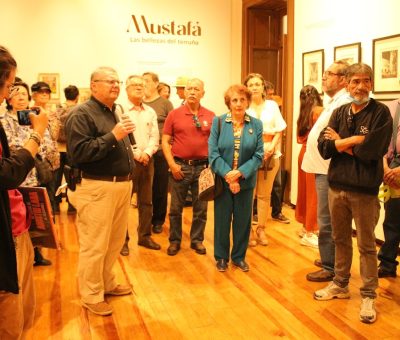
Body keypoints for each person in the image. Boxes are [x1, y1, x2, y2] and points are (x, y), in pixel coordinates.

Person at [315, 63, 392, 324]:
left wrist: (341, 142)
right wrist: (354, 140)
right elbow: (324, 148)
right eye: (355, 81)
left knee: (367, 245)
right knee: (340, 240)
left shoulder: (381, 113)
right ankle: (340, 283)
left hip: (365, 192)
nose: (360, 86)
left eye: (366, 81)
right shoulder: (339, 112)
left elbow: (372, 152)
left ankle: (369, 294)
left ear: (371, 84)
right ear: (347, 85)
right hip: (337, 188)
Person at [66, 66, 135, 316]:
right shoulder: (81, 114)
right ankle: (91, 294)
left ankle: (107, 283)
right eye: (109, 81)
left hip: (120, 186)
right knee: (95, 245)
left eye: (118, 81)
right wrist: (113, 136)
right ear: (93, 85)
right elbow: (80, 152)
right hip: (97, 187)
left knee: (114, 241)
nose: (115, 85)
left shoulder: (115, 110)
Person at [0, 45, 49, 339]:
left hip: (17, 219)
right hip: (7, 229)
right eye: (8, 86)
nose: (9, 94)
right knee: (10, 312)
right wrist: (36, 135)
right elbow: (6, 173)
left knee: (21, 311)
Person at [302, 60, 351, 282]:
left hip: (329, 170)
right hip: (322, 169)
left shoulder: (344, 102)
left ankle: (331, 266)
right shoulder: (334, 101)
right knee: (326, 218)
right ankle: (328, 258)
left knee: (328, 219)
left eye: (328, 74)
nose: (323, 77)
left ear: (342, 79)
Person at [1, 81, 58, 266]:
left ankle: (37, 252)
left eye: (24, 94)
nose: (20, 97)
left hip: (37, 175)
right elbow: (12, 147)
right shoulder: (4, 121)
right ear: (8, 98)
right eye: (15, 93)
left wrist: (38, 135)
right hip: (17, 177)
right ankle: (22, 253)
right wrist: (34, 139)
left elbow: (50, 145)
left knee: (38, 215)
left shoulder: (37, 118)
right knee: (20, 216)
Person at [209, 84, 263, 272]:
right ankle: (221, 257)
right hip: (223, 183)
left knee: (242, 221)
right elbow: (213, 154)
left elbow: (258, 155)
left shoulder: (256, 124)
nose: (238, 104)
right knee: (222, 221)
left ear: (248, 102)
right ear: (228, 103)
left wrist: (239, 174)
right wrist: (228, 176)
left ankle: (239, 257)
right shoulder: (218, 122)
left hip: (245, 183)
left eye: (242, 100)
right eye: (234, 100)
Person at [162, 78, 215, 256]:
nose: (192, 91)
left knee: (201, 209)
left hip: (203, 168)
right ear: (184, 92)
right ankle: (175, 240)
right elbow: (165, 141)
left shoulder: (210, 115)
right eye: (189, 88)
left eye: (196, 89)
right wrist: (171, 164)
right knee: (176, 209)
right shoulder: (174, 114)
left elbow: (215, 142)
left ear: (203, 93)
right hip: (180, 167)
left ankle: (197, 240)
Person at [244, 73, 287, 247]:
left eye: (257, 84)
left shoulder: (272, 105)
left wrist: (271, 148)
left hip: (270, 155)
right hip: (248, 157)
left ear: (263, 87)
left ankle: (261, 228)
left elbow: (279, 130)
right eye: (251, 84)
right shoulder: (244, 106)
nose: (254, 87)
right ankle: (247, 231)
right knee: (248, 194)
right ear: (246, 87)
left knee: (264, 195)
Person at [123, 75, 160, 254]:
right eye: (134, 85)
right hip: (128, 162)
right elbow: (122, 136)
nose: (139, 88)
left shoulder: (150, 112)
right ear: (127, 89)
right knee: (123, 203)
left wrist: (147, 153)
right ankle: (122, 241)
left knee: (146, 201)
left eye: (141, 85)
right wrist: (137, 153)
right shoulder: (120, 110)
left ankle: (144, 236)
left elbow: (155, 136)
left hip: (147, 161)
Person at [142, 72, 174, 234]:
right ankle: (145, 221)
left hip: (161, 151)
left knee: (160, 187)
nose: (144, 84)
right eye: (142, 81)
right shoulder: (139, 103)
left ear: (156, 84)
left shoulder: (165, 104)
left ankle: (158, 220)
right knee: (143, 187)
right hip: (143, 151)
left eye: (147, 81)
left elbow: (173, 127)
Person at [295, 85, 323, 248]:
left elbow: (300, 137)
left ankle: (305, 225)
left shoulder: (303, 114)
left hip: (303, 154)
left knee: (305, 192)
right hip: (314, 155)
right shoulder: (319, 111)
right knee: (314, 195)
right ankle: (311, 231)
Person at [378, 98, 400, 278]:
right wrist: (385, 167)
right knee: (391, 218)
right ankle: (387, 264)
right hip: (390, 168)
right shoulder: (390, 107)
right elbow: (383, 141)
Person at [31, 81, 60, 215]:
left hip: (52, 159)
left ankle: (52, 226)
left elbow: (55, 135)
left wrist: (50, 118)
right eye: (41, 92)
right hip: (36, 158)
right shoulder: (29, 113)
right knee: (38, 195)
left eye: (47, 92)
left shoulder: (53, 113)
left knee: (52, 193)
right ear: (34, 95)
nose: (44, 95)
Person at [264, 81, 290, 224]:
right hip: (261, 151)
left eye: (273, 94)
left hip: (275, 151)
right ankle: (255, 212)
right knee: (259, 186)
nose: (272, 96)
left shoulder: (274, 106)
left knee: (277, 184)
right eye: (270, 94)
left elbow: (279, 129)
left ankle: (277, 211)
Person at [54, 85, 79, 215]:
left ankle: (55, 205)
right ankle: (71, 205)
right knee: (71, 177)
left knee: (57, 178)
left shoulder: (58, 109)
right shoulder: (78, 109)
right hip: (71, 148)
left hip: (58, 148)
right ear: (77, 96)